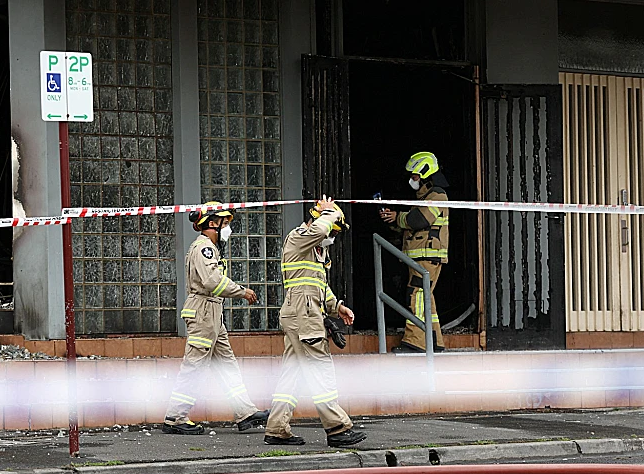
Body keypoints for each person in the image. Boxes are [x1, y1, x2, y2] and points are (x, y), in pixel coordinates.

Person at [264, 197, 367, 447]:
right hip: (303, 314)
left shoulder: (316, 248)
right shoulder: (300, 236)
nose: (332, 235)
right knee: (321, 370)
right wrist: (329, 214)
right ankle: (337, 428)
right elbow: (321, 228)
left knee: (292, 374)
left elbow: (319, 286)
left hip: (303, 313)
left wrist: (337, 307)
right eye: (333, 229)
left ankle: (276, 428)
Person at [162, 202, 269, 435]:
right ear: (212, 223)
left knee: (226, 363)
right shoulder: (204, 248)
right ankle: (175, 417)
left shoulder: (210, 247)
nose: (228, 227)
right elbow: (212, 281)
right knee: (194, 364)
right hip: (203, 312)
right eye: (226, 222)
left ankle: (245, 412)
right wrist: (241, 291)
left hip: (211, 313)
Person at [380, 151, 450, 353]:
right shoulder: (425, 197)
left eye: (415, 176)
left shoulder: (437, 195)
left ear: (426, 174)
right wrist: (393, 220)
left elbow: (419, 220)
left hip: (428, 256)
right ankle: (434, 340)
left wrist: (398, 217)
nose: (412, 180)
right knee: (426, 298)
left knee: (416, 296)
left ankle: (416, 342)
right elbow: (412, 226)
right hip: (421, 257)